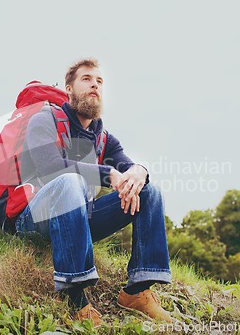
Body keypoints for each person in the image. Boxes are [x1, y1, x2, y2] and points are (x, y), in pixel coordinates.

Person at [16, 58, 172, 327]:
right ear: (69, 89)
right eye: (86, 79)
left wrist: (139, 171)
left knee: (149, 193)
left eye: (99, 81)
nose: (94, 85)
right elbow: (49, 167)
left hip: (78, 220)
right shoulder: (45, 120)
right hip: (34, 217)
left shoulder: (104, 138)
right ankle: (75, 296)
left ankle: (137, 291)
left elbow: (126, 168)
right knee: (69, 182)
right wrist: (105, 173)